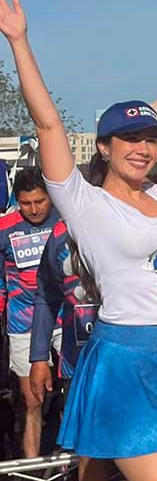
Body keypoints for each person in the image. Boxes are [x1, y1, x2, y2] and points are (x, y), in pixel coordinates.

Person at [0, 0, 157, 481]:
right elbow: (49, 124)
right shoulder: (84, 203)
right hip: (127, 362)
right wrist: (19, 41)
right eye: (129, 138)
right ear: (103, 146)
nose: (142, 148)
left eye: (150, 139)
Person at [30, 220, 111, 481]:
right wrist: (39, 357)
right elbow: (46, 295)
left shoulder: (142, 218)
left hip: (137, 359)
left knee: (145, 456)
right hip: (81, 364)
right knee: (91, 452)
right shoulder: (61, 233)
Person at [0, 168, 62, 458]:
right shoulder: (5, 227)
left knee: (74, 394)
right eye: (26, 203)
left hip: (66, 319)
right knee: (32, 399)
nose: (34, 209)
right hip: (23, 323)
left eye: (40, 201)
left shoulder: (66, 220)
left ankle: (76, 464)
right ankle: (33, 474)